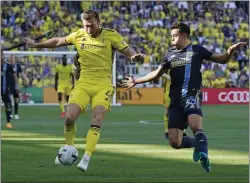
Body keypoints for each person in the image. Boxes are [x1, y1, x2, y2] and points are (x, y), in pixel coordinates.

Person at [23, 9, 144, 171]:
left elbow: (129, 52)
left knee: (97, 117)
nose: (89, 29)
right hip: (83, 84)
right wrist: (36, 45)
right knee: (69, 118)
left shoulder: (111, 35)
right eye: (86, 26)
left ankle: (86, 157)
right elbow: (57, 41)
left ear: (99, 22)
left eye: (92, 26)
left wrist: (135, 57)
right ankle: (69, 149)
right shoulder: (79, 35)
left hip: (103, 85)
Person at [122, 22, 246, 172]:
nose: (172, 39)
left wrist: (229, 52)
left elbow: (221, 59)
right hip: (175, 100)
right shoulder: (169, 54)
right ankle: (197, 144)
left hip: (192, 95)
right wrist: (136, 81)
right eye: (172, 36)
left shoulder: (197, 50)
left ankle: (203, 155)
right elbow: (156, 74)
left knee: (196, 126)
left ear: (184, 36)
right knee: (174, 141)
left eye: (175, 36)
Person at [162, 72, 187, 140]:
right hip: (168, 93)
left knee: (182, 112)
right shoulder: (168, 63)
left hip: (180, 92)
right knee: (167, 113)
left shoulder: (183, 64)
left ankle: (182, 131)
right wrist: (167, 76)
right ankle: (167, 131)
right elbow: (160, 72)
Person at [1, 50, 19, 128]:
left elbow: (15, 76)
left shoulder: (8, 66)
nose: (1, 56)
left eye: (1, 54)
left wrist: (17, 86)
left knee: (7, 105)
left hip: (5, 89)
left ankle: (8, 122)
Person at [9, 54, 29, 119]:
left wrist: (26, 78)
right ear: (9, 58)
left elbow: (22, 73)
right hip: (8, 84)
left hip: (16, 84)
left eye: (13, 57)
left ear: (14, 58)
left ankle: (16, 114)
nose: (11, 59)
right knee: (9, 99)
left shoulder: (17, 66)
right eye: (11, 57)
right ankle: (10, 114)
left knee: (16, 99)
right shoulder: (7, 65)